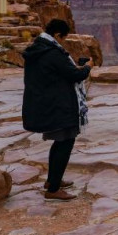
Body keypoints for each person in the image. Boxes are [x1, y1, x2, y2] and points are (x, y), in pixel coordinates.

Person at [21, 19, 93, 201]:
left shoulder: (38, 48)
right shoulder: (52, 53)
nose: (64, 41)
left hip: (48, 103)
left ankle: (53, 181)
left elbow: (58, 72)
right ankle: (53, 190)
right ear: (57, 35)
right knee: (65, 143)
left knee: (59, 142)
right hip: (59, 106)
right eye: (63, 38)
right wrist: (87, 67)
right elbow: (75, 75)